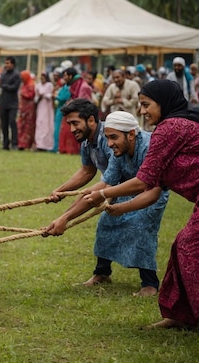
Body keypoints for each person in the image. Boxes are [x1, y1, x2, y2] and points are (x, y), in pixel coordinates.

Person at [84, 80, 199, 328]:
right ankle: (180, 316)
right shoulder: (174, 126)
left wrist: (104, 196)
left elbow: (143, 182)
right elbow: (153, 186)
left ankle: (182, 312)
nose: (143, 111)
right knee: (183, 245)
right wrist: (116, 206)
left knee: (189, 247)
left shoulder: (170, 128)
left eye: (146, 105)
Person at [45, 110, 168, 295]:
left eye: (113, 137)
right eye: (107, 138)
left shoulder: (149, 147)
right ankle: (102, 273)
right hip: (124, 190)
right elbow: (106, 182)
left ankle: (149, 283)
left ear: (131, 134)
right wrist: (65, 217)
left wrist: (106, 196)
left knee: (140, 225)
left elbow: (144, 185)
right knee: (106, 223)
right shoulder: (117, 151)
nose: (109, 144)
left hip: (153, 193)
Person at [58, 68, 92, 154]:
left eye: (65, 76)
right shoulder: (75, 85)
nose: (64, 78)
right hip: (73, 112)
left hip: (81, 114)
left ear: (70, 76)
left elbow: (84, 102)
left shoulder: (83, 86)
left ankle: (73, 150)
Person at [0, 56, 21, 150]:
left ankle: (14, 143)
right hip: (3, 102)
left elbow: (14, 87)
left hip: (13, 103)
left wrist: (3, 85)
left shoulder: (16, 75)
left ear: (13, 64)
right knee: (4, 124)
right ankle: (5, 144)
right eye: (5, 63)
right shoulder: (3, 74)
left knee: (12, 122)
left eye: (8, 63)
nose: (6, 65)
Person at [34, 72, 54, 151]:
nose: (42, 79)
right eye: (41, 78)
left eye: (43, 78)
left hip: (47, 108)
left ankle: (46, 145)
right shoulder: (38, 85)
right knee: (39, 124)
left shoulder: (49, 85)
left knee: (46, 125)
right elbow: (35, 98)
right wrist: (39, 97)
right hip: (40, 107)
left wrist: (44, 95)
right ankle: (39, 144)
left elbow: (51, 95)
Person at [17, 70, 36, 150]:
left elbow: (31, 95)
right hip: (23, 108)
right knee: (21, 125)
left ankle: (27, 144)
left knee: (28, 126)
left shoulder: (31, 84)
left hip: (29, 108)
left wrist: (23, 94)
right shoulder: (23, 85)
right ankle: (21, 143)